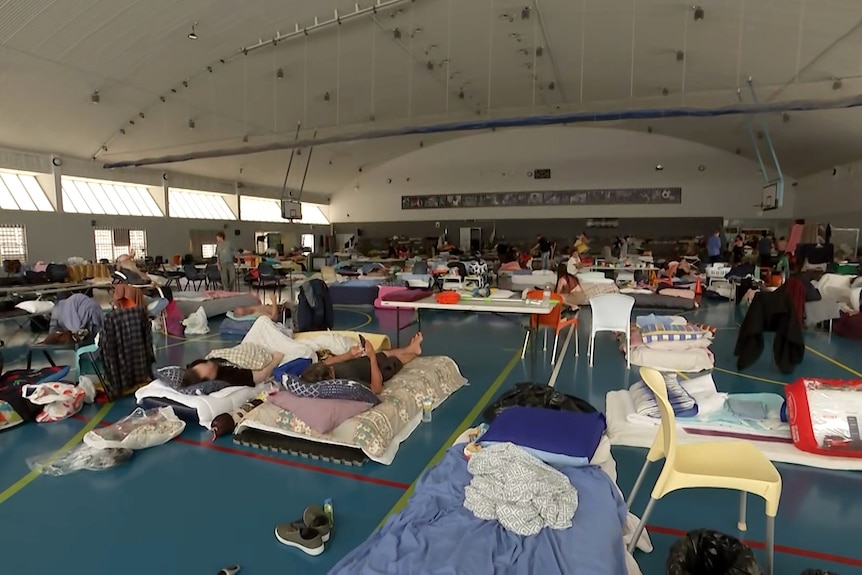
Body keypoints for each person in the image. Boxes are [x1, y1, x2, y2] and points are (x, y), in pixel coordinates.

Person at [300, 333, 423, 394]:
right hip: (379, 370)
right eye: (330, 369)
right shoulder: (348, 381)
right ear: (330, 378)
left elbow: (328, 362)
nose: (331, 366)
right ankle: (414, 353)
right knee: (396, 360)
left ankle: (410, 348)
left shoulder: (324, 371)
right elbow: (376, 388)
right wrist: (372, 357)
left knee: (385, 353)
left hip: (365, 361)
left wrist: (349, 354)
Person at [182, 351, 285, 388]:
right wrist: (276, 359)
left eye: (207, 363)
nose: (211, 365)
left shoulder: (201, 364)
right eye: (211, 369)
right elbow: (264, 375)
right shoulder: (230, 376)